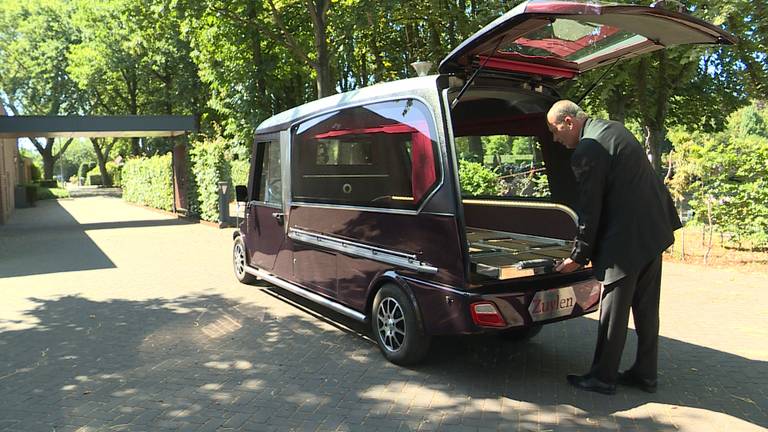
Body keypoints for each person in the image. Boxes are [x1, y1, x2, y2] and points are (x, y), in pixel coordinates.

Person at [545, 100, 682, 395]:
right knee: (646, 309)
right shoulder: (614, 129)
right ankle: (646, 375)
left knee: (613, 312)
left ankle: (602, 378)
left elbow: (590, 210)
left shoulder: (588, 147)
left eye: (555, 131)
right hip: (653, 231)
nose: (556, 139)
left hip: (626, 240)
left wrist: (578, 257)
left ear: (569, 122)